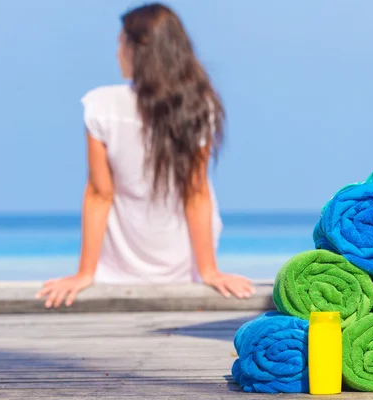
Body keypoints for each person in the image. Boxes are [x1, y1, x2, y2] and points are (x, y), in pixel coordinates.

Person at [36, 3, 254, 308]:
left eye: (120, 43)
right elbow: (196, 193)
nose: (117, 53)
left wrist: (85, 273)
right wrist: (209, 271)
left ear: (139, 49)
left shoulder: (101, 106)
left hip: (117, 267)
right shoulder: (198, 108)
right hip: (183, 265)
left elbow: (100, 194)